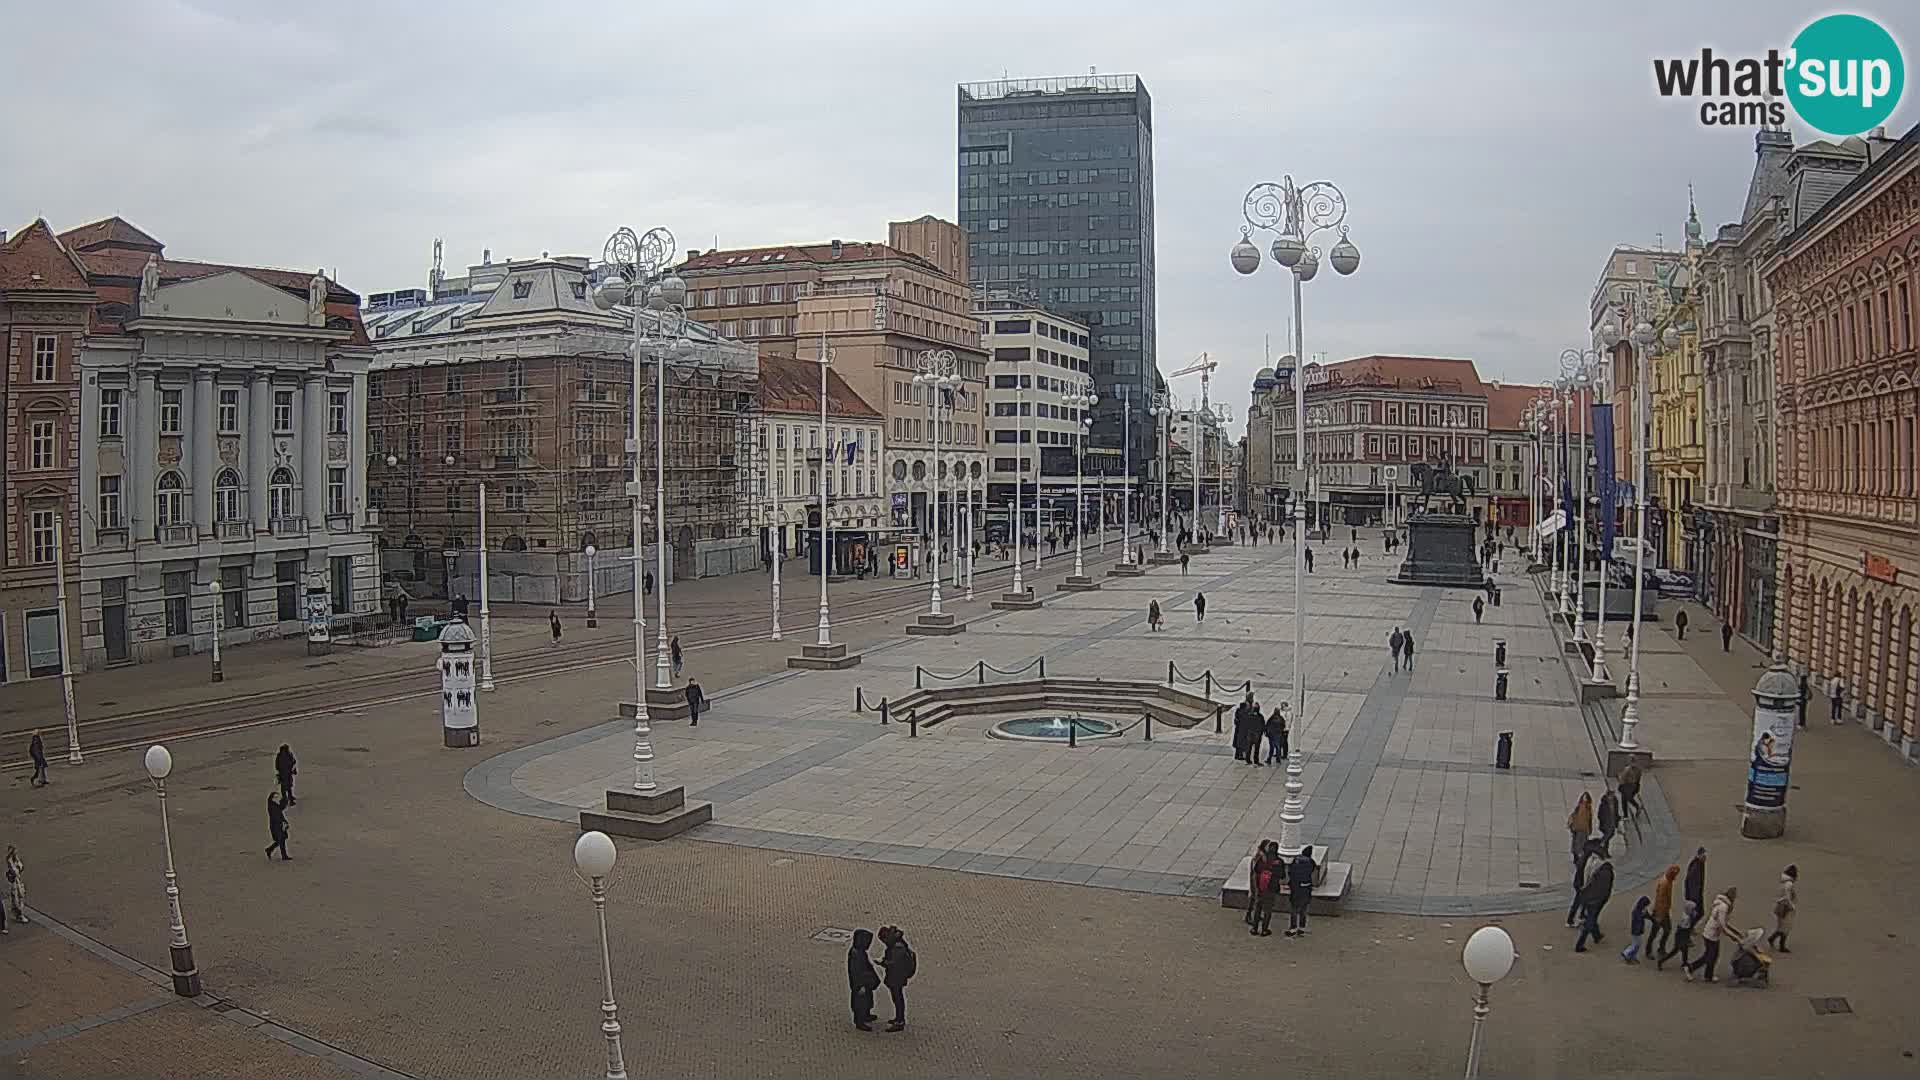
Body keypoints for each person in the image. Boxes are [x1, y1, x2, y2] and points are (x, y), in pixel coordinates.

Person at [1686, 886, 1738, 982]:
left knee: (1711, 955)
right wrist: (1733, 936)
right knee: (1710, 956)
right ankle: (1692, 968)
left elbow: (1724, 923)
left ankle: (1707, 975)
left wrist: (1735, 932)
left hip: (1710, 932)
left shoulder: (1721, 903)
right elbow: (1722, 925)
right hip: (1711, 934)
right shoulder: (1724, 907)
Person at [1573, 850, 1614, 952]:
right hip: (1596, 900)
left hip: (1589, 897)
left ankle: (1597, 935)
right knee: (1590, 920)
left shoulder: (1595, 868)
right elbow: (1604, 890)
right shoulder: (1606, 872)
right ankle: (1580, 945)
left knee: (1593, 917)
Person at [878, 925, 914, 1031]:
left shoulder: (898, 947)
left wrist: (883, 963)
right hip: (896, 976)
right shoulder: (896, 944)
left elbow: (894, 963)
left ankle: (900, 1021)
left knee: (898, 998)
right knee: (897, 998)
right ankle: (898, 1018)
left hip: (897, 977)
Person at [847, 928, 881, 1030]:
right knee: (860, 1002)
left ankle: (866, 1014)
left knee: (867, 1000)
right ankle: (860, 1021)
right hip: (860, 984)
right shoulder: (856, 954)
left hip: (866, 982)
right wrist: (861, 985)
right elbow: (857, 973)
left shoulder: (860, 952)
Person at [1647, 863, 1678, 963]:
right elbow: (1660, 900)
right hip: (1660, 912)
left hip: (1663, 911)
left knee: (1666, 930)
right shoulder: (1665, 883)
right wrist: (1659, 915)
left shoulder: (1667, 881)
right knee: (1655, 932)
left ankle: (1660, 948)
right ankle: (1650, 950)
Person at [1249, 840, 1281, 935]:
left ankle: (1254, 928)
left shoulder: (1262, 859)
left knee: (1258, 907)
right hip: (1271, 888)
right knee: (1268, 910)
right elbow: (1282, 875)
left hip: (1260, 887)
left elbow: (1256, 870)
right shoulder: (1278, 861)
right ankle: (1264, 929)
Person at [1285, 845, 1318, 936]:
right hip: (1306, 888)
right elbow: (1312, 872)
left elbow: (1290, 872)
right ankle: (1302, 927)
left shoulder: (1295, 860)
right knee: (1303, 909)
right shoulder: (1311, 862)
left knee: (1294, 908)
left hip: (1296, 888)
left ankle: (1293, 928)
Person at [1659, 900, 1700, 971]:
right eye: (1693, 909)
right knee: (1676, 951)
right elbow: (1685, 928)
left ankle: (1684, 963)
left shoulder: (1687, 915)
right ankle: (1661, 961)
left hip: (1683, 935)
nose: (1694, 911)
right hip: (1681, 936)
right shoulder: (1686, 918)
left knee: (1684, 950)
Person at [1767, 864, 1798, 954]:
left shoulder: (1784, 882)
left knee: (1781, 926)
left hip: (1780, 906)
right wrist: (1792, 906)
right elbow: (1787, 897)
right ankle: (1781, 945)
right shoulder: (1789, 884)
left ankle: (1772, 939)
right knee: (1786, 926)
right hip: (1785, 907)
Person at [1621, 895, 1652, 963]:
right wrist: (1643, 914)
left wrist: (1650, 917)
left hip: (1638, 930)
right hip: (1635, 931)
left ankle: (1632, 956)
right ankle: (1626, 953)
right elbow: (1639, 918)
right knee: (1635, 944)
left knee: (1637, 944)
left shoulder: (1641, 910)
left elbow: (1647, 916)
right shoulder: (1637, 911)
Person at [1567, 793, 1594, 864]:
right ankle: (1576, 858)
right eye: (1584, 798)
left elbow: (1589, 819)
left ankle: (1578, 858)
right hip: (1577, 828)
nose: (1585, 800)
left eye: (1586, 798)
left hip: (1583, 829)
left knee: (1581, 845)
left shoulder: (1588, 808)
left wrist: (1590, 828)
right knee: (1577, 844)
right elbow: (1574, 816)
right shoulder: (1579, 807)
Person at [265, 792, 291, 861]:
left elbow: (281, 809)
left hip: (278, 825)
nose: (277, 799)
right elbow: (277, 815)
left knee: (280, 839)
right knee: (281, 839)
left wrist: (284, 822)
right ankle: (284, 856)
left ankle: (269, 849)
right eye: (276, 797)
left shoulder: (274, 805)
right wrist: (283, 823)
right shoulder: (272, 806)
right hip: (275, 826)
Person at [1683, 846, 1708, 915]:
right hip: (1694, 896)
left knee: (1699, 913)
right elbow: (1691, 885)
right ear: (1699, 855)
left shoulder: (1700, 863)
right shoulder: (1695, 868)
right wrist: (1694, 899)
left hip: (1698, 893)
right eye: (1704, 856)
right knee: (1696, 914)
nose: (1705, 858)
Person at [1596, 787, 1620, 857]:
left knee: (1610, 835)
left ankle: (1602, 846)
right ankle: (1604, 850)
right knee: (1608, 835)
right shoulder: (1604, 804)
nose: (1611, 797)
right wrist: (1603, 821)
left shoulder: (1615, 802)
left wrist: (1617, 819)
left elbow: (1616, 812)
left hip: (1612, 821)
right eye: (1610, 796)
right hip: (1606, 823)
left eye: (1612, 795)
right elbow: (1599, 814)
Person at [5, 845, 25, 925]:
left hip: (18, 881)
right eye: (14, 852)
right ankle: (19, 915)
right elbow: (15, 871)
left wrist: (18, 865)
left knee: (21, 896)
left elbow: (21, 867)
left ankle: (18, 914)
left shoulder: (16, 859)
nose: (16, 853)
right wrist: (18, 867)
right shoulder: (10, 860)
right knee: (16, 897)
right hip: (14, 882)